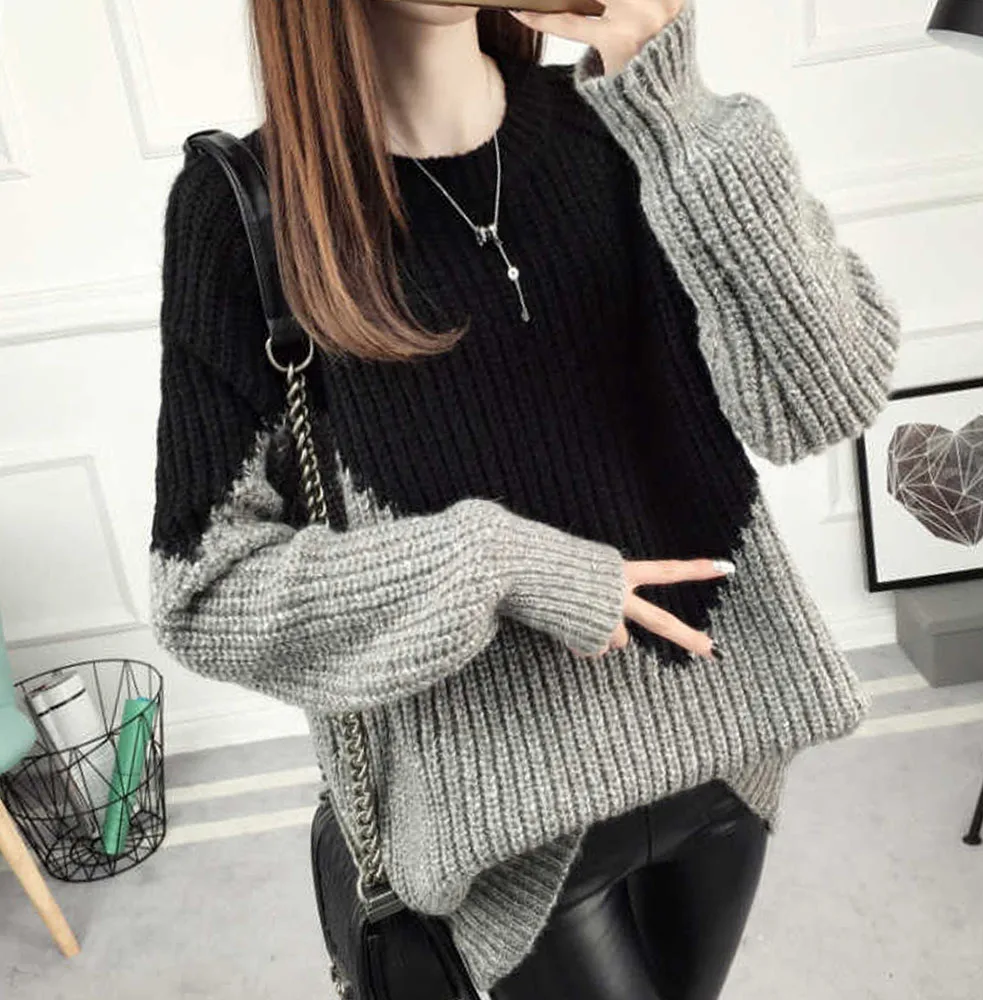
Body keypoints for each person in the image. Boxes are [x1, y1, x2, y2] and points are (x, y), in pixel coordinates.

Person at [147, 0, 901, 996]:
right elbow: (204, 589)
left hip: (728, 760)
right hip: (505, 828)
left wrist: (672, 99)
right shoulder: (247, 207)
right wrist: (498, 563)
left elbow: (823, 399)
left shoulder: (626, 118)